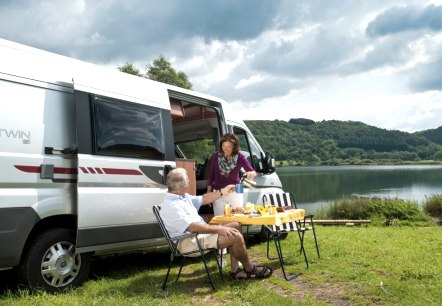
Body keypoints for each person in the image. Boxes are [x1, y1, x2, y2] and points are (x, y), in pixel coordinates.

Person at [159, 168, 273, 280]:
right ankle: (250, 268)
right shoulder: (172, 206)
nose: (189, 182)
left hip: (197, 235)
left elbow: (204, 199)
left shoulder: (182, 197)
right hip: (188, 241)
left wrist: (222, 191)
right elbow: (192, 227)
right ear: (180, 187)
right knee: (235, 236)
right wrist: (218, 229)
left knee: (236, 225)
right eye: (187, 181)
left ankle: (235, 270)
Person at [207, 133, 257, 215]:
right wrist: (209, 193)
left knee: (236, 220)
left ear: (234, 147)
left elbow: (253, 172)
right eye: (224, 146)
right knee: (220, 222)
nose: (225, 149)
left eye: (228, 147)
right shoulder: (216, 156)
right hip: (218, 193)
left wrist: (250, 174)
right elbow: (211, 176)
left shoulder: (240, 157)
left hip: (236, 192)